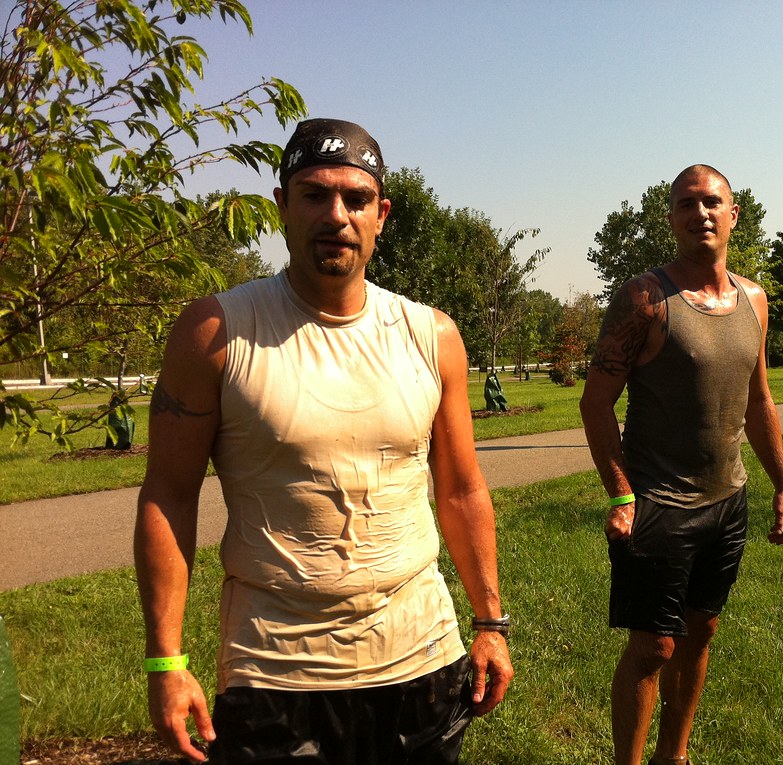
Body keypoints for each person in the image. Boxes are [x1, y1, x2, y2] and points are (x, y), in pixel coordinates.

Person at [134, 118, 513, 764]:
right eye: (314, 194)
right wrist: (167, 660)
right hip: (277, 674)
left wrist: (491, 623)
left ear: (381, 214)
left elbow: (461, 488)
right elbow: (168, 496)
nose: (336, 215)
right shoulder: (216, 332)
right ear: (282, 205)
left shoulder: (432, 336)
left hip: (420, 659)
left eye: (355, 198)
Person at [579, 164, 783, 765]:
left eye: (711, 202)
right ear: (672, 218)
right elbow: (596, 402)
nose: (699, 213)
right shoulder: (645, 299)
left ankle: (672, 756)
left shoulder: (754, 300)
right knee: (654, 648)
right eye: (685, 204)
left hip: (727, 502)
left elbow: (759, 401)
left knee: (700, 634)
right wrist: (623, 494)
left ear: (733, 216)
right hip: (659, 504)